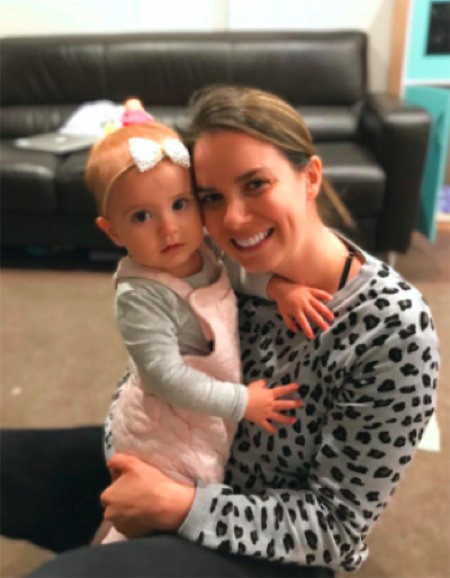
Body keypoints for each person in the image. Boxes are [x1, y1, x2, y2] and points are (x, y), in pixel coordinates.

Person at [1, 85, 439, 578]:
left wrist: (177, 506)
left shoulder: (394, 330)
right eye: (210, 197)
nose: (232, 219)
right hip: (174, 456)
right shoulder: (210, 257)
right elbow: (159, 367)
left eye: (256, 184)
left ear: (311, 177)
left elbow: (336, 529)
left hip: (267, 544)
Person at [84, 120, 332, 542]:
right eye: (142, 216)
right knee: (149, 519)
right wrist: (242, 402)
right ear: (113, 231)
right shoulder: (140, 295)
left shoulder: (204, 249)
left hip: (203, 417)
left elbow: (236, 273)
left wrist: (279, 289)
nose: (169, 228)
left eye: (180, 204)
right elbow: (165, 378)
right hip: (164, 432)